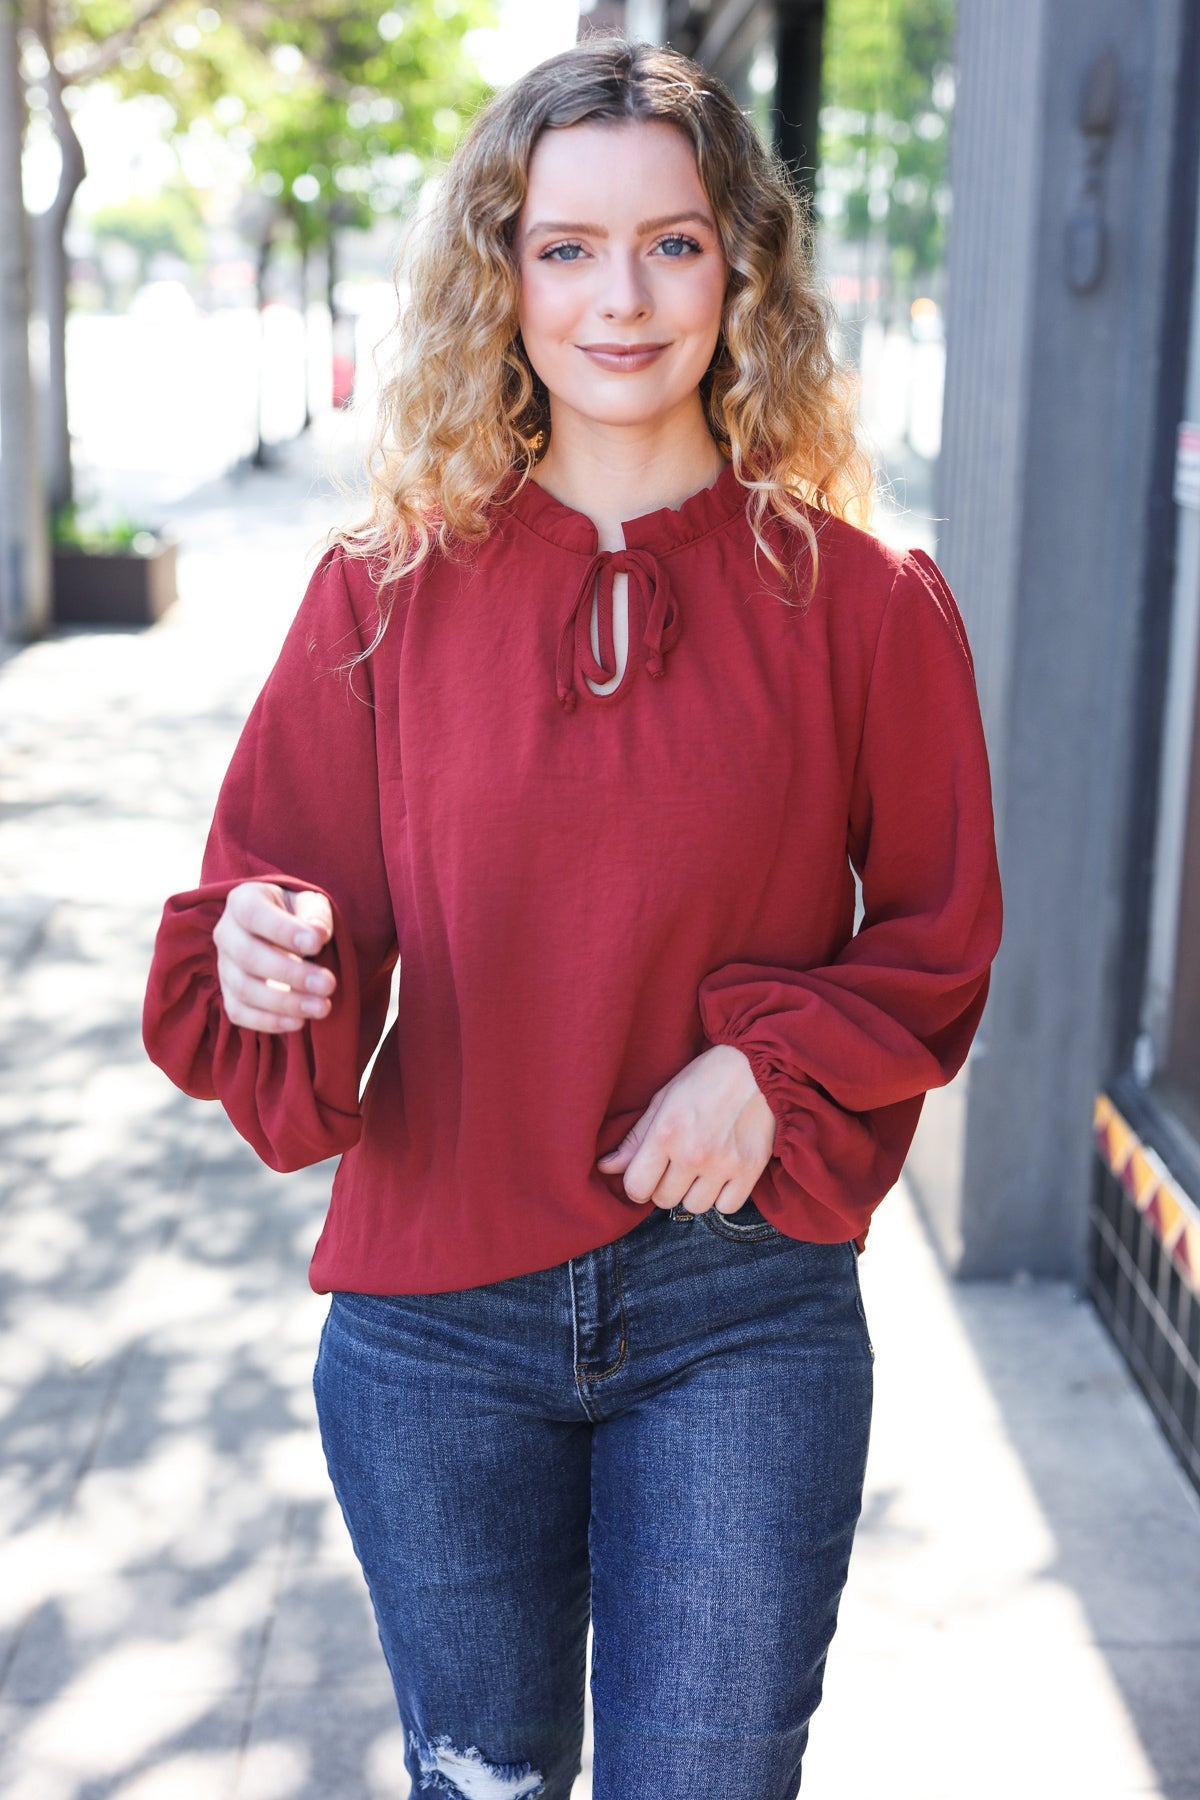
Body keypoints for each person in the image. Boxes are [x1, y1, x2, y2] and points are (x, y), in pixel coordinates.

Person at [143, 36, 1002, 1800]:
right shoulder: (379, 595)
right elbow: (282, 904)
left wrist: (768, 1068)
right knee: (488, 1785)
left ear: (741, 269)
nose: (623, 297)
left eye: (674, 244)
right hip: (436, 1326)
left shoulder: (864, 604)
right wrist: (262, 950)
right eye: (568, 248)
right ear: (502, 275)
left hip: (742, 1307)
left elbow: (938, 930)